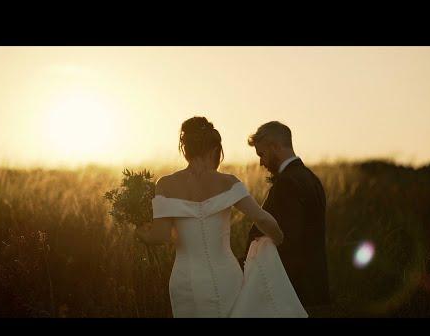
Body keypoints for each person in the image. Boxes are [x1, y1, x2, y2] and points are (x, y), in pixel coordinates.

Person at [135, 116, 306, 318]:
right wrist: (277, 240)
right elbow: (263, 219)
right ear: (216, 150)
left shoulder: (165, 184)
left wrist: (141, 233)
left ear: (186, 150)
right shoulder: (228, 182)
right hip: (225, 278)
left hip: (184, 282)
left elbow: (161, 236)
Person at [245, 121, 331, 317]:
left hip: (293, 290)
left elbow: (286, 238)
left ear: (275, 147)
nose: (261, 163)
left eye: (262, 154)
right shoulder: (311, 178)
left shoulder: (287, 183)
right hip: (315, 284)